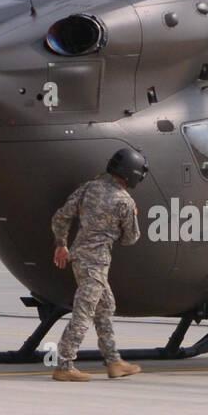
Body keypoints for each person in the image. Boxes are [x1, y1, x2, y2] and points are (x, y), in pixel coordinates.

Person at [50, 148, 148, 382]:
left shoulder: (89, 188)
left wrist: (61, 244)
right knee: (84, 313)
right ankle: (64, 365)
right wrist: (133, 215)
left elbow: (61, 217)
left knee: (105, 306)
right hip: (96, 262)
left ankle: (113, 361)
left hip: (80, 258)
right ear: (131, 174)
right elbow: (130, 238)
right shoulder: (124, 201)